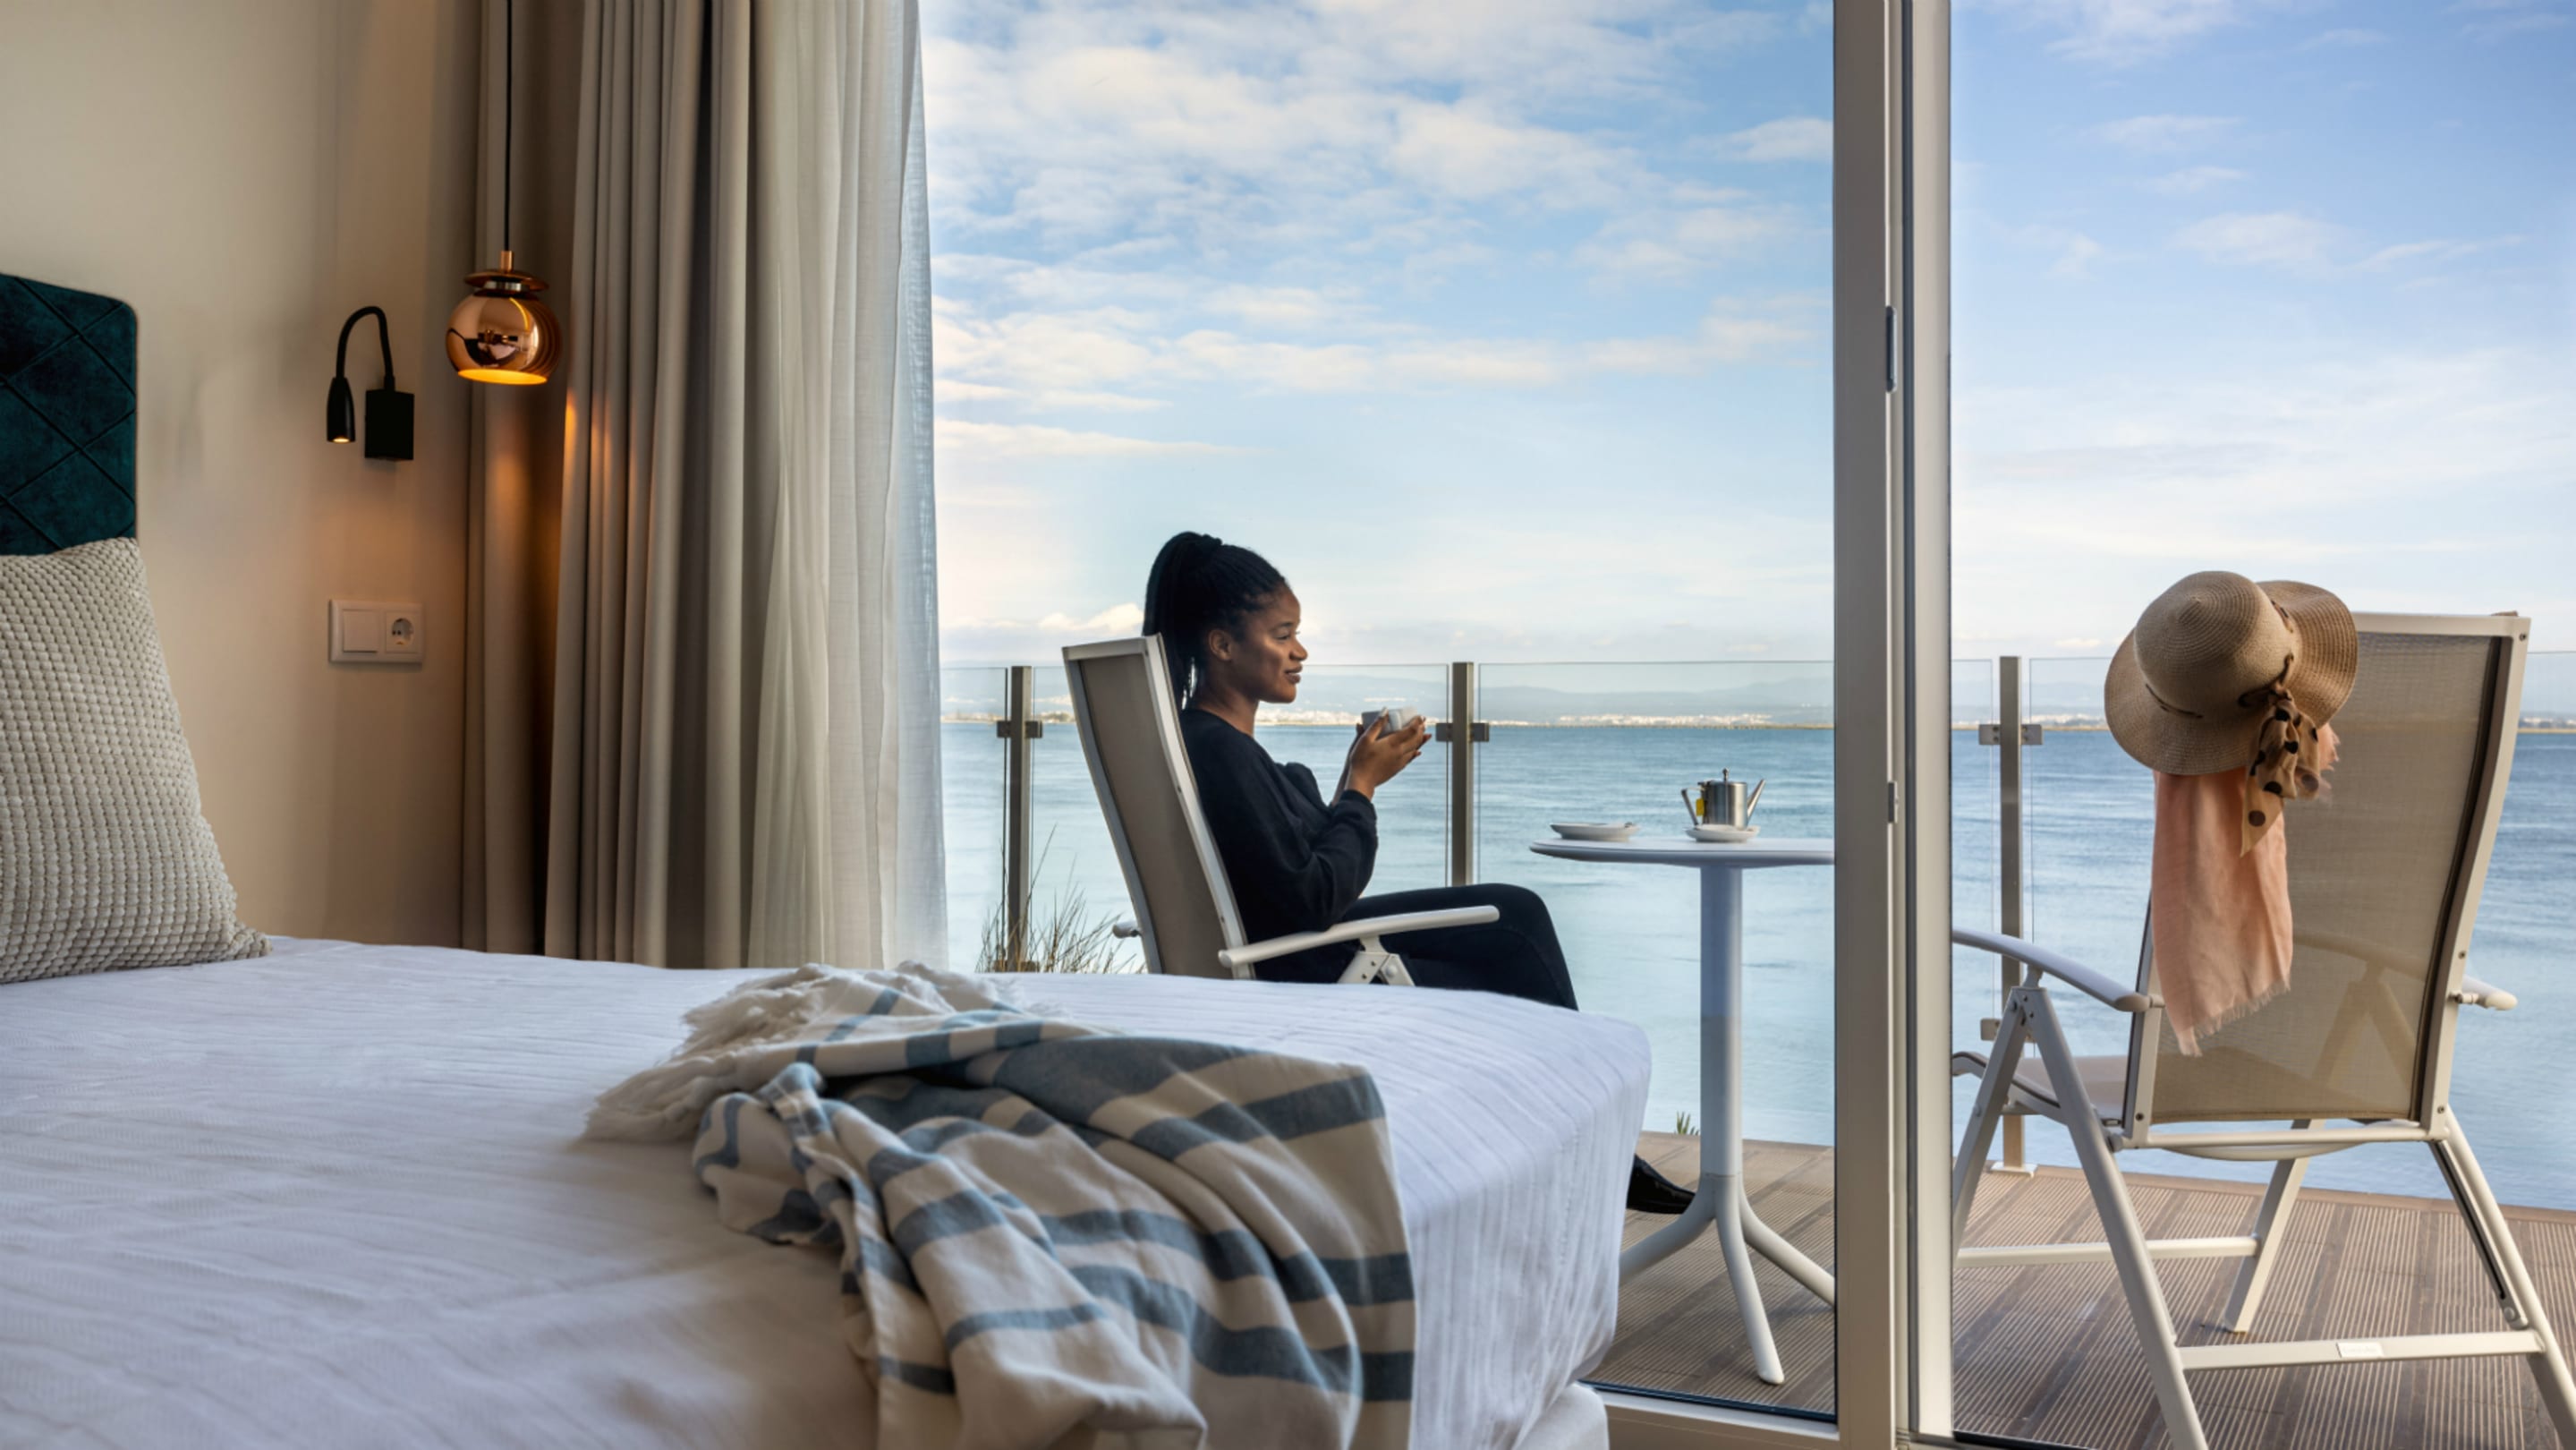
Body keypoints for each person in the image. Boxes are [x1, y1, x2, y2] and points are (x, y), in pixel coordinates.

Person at [1140, 530, 1696, 1215]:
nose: (1300, 651)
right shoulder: (1221, 752)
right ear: (1222, 644)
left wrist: (1353, 780)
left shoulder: (1201, 745)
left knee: (1509, 919)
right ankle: (1594, 1150)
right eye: (1282, 635)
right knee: (1515, 928)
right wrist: (1361, 790)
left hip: (1274, 955)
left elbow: (1287, 871)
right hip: (1302, 970)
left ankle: (1586, 1148)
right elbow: (1312, 896)